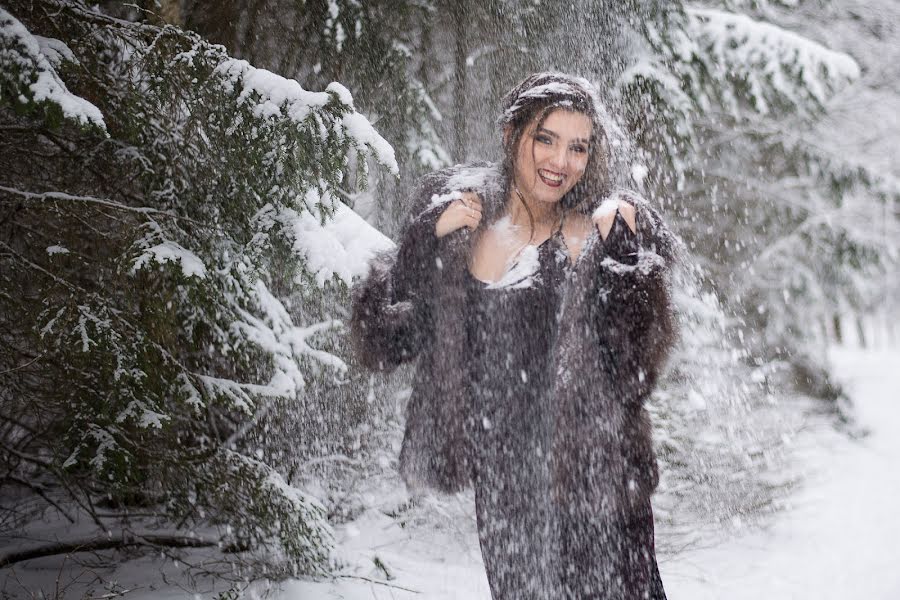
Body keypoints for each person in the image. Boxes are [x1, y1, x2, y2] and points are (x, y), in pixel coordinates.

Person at [351, 72, 678, 600]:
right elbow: (386, 340)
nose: (560, 162)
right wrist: (424, 244)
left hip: (602, 485)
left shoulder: (601, 226)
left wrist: (626, 261)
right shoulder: (459, 218)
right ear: (511, 135)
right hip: (507, 490)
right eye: (545, 139)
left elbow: (635, 369)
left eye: (578, 147)